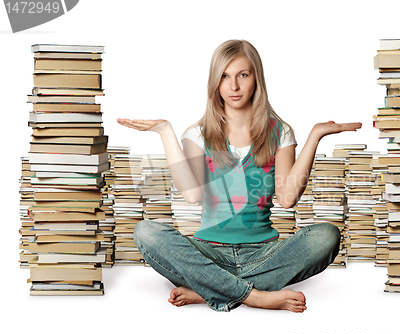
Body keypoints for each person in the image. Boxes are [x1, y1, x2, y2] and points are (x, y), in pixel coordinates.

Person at [117, 39, 362, 313]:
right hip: (207, 252)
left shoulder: (280, 132)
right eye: (224, 76)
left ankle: (208, 290)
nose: (233, 86)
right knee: (146, 232)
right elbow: (192, 194)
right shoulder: (196, 134)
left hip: (263, 254)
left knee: (326, 235)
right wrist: (165, 131)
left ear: (256, 78)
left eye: (242, 75)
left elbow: (288, 198)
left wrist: (315, 135)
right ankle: (255, 296)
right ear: (215, 83)